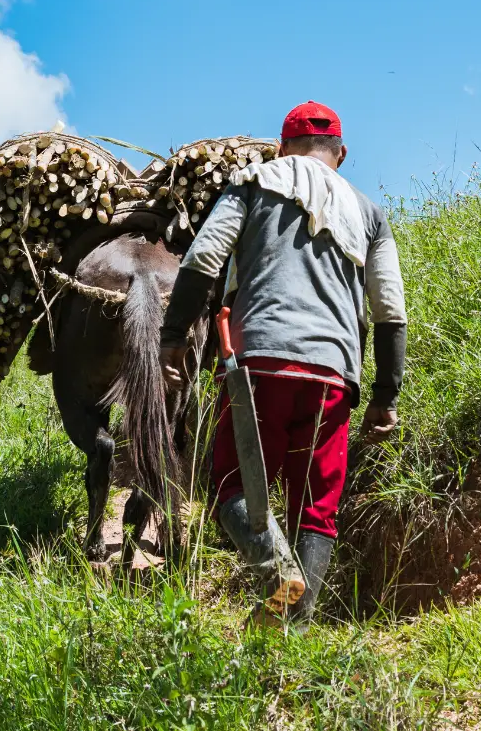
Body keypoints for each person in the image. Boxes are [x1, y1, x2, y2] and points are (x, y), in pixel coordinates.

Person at [159, 102, 407, 630]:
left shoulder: (253, 181)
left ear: (280, 147)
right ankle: (294, 628)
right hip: (335, 375)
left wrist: (173, 338)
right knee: (315, 510)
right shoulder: (369, 212)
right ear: (341, 154)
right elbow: (389, 310)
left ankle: (277, 576)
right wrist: (386, 396)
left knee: (230, 488)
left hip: (260, 366)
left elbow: (203, 261)